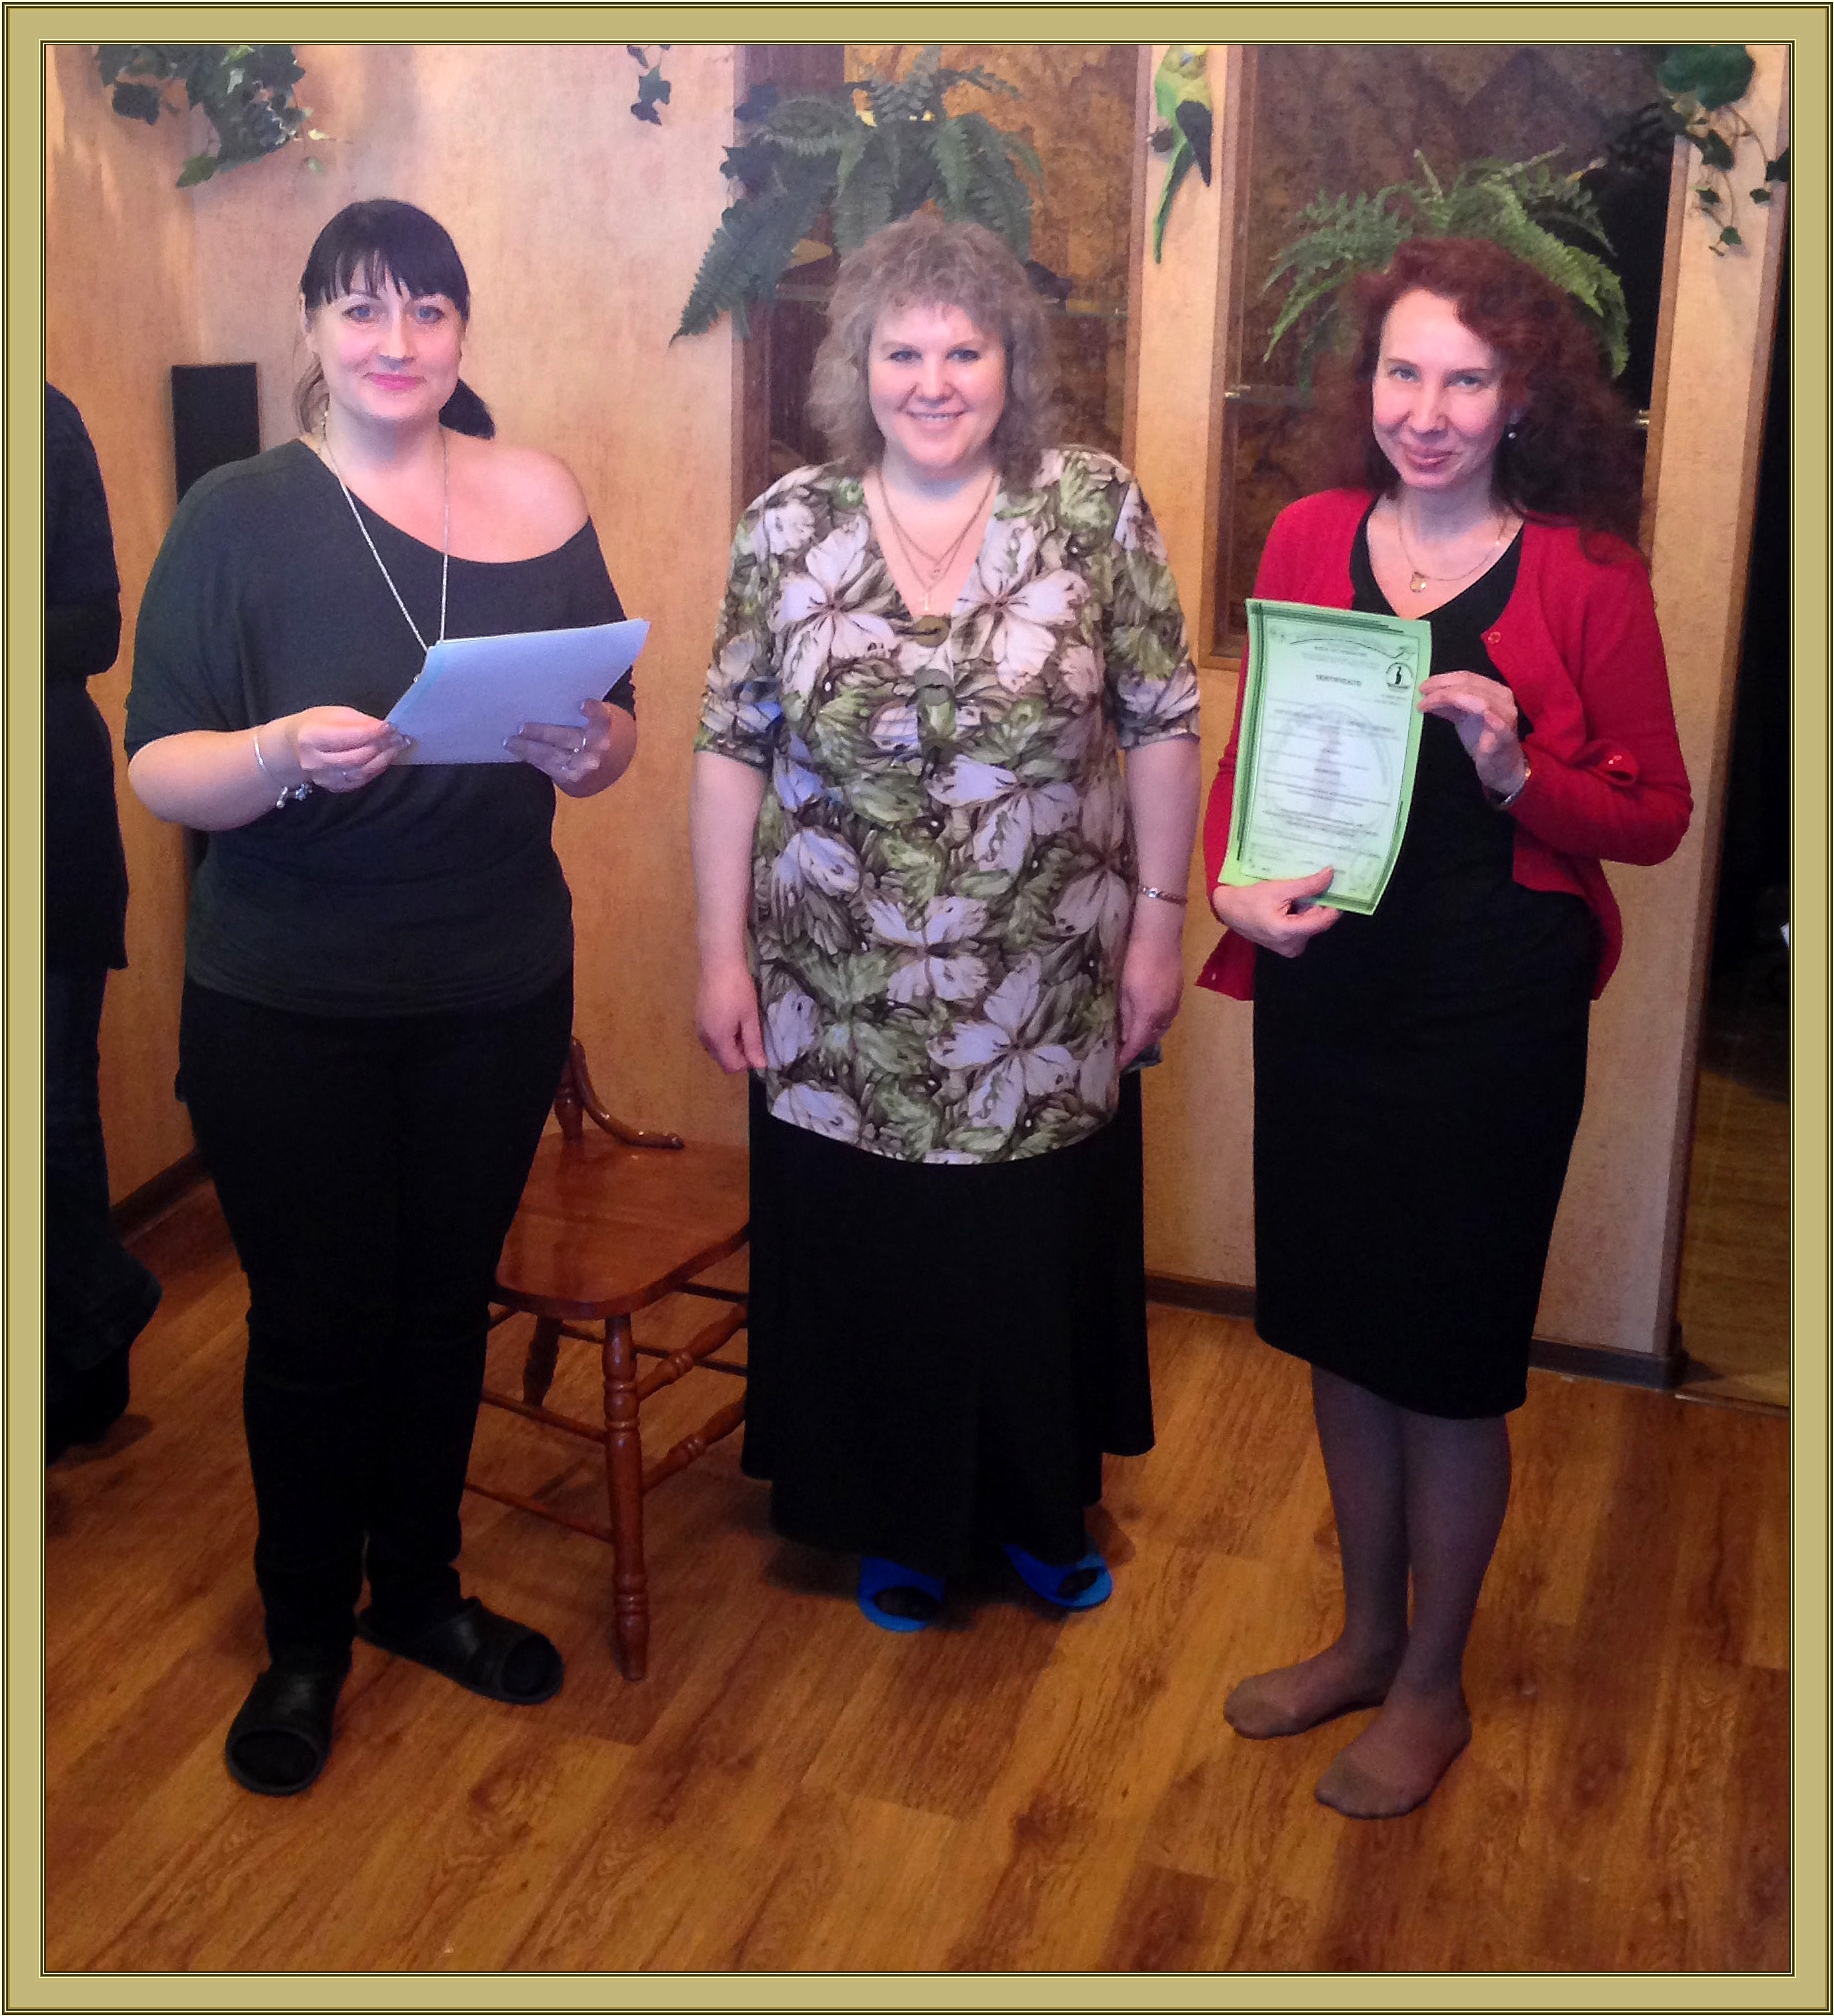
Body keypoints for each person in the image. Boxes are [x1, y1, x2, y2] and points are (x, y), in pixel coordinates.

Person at [124, 200, 637, 1797]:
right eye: (360, 309)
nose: (395, 341)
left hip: (493, 986)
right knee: (314, 1324)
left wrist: (595, 747)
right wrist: (279, 752)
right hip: (290, 1001)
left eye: (426, 310)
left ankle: (418, 1590)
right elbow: (160, 764)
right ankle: (303, 1637)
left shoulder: (539, 492)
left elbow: (613, 720)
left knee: (440, 1304)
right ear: (313, 330)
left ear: (461, 332)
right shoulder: (236, 515)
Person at [1200, 236, 1691, 1818]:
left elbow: (1653, 815)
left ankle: (1431, 1681)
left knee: (1447, 1360)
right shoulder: (1307, 532)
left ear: (1519, 395)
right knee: (1340, 1331)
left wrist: (1513, 764)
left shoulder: (1585, 575)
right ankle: (1360, 1639)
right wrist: (1226, 884)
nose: (1425, 411)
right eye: (1402, 372)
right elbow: (1256, 752)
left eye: (1465, 380)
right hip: (1329, 994)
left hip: (1490, 1011)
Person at [692, 213, 1201, 1633]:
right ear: (854, 367)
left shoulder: (1090, 508)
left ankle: (1037, 1513)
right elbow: (729, 741)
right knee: (876, 1253)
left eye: (963, 352)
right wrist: (720, 952)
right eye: (901, 353)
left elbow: (1163, 719)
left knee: (1022, 1255)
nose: (932, 382)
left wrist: (1160, 926)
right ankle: (890, 1523)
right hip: (833, 987)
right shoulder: (786, 526)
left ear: (1010, 362)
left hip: (1043, 978)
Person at [45, 384, 163, 1462]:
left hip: (45, 821)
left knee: (48, 1116)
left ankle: (88, 1349)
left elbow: (93, 626)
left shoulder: (42, 421)